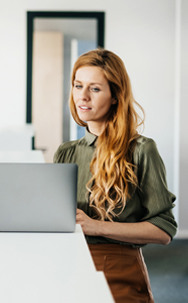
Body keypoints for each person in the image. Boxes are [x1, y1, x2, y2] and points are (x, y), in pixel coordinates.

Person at [54, 48, 177, 303]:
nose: (83, 97)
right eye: (78, 86)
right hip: (67, 265)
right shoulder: (65, 153)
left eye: (95, 89)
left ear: (114, 96)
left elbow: (164, 230)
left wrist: (96, 226)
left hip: (118, 270)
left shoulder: (141, 150)